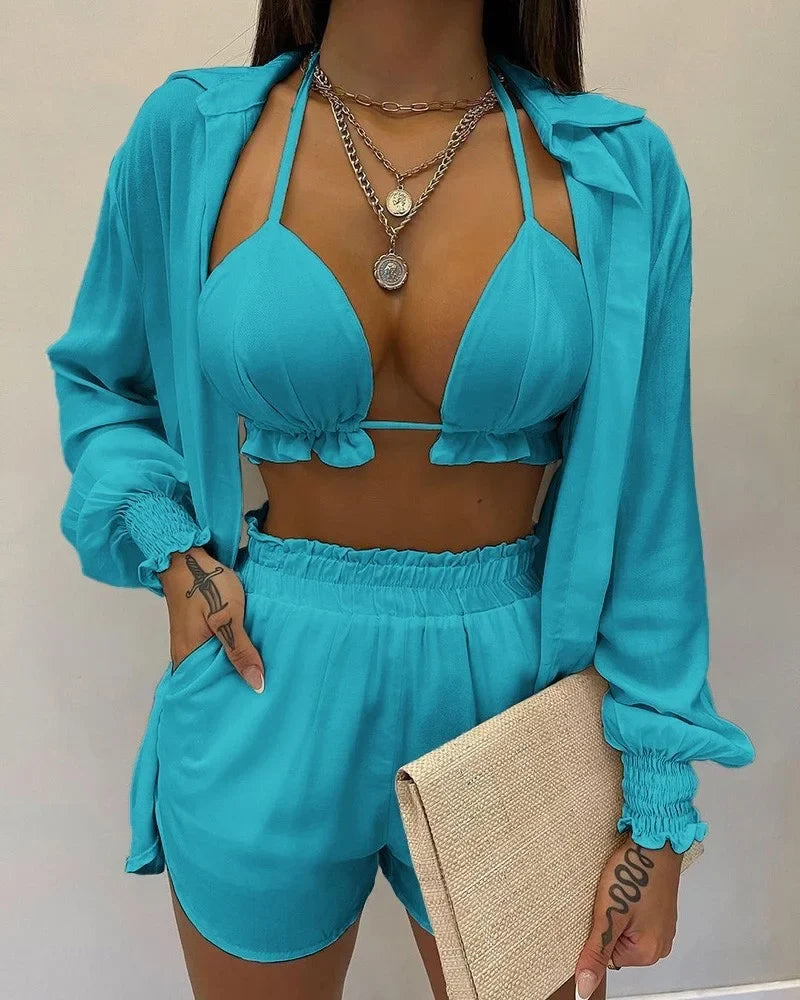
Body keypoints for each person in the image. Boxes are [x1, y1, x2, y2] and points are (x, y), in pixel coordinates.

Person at [44, 2, 756, 998]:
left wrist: (657, 806)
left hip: (517, 696)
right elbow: (105, 385)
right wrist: (173, 551)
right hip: (263, 677)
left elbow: (650, 505)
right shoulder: (194, 135)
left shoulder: (618, 172)